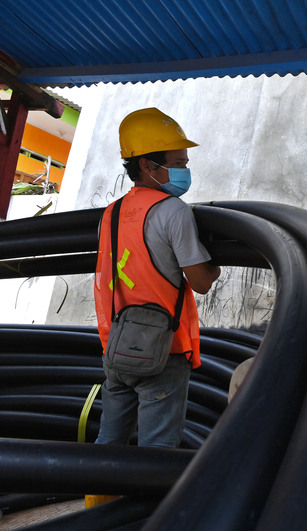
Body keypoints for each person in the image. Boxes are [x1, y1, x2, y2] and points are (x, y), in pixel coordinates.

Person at [93, 107, 220, 449]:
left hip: (117, 345)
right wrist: (216, 263)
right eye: (177, 164)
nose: (185, 171)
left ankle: (97, 499)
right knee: (158, 453)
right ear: (148, 166)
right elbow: (202, 282)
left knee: (108, 441)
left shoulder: (112, 212)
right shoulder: (173, 211)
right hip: (162, 352)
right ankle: (147, 506)